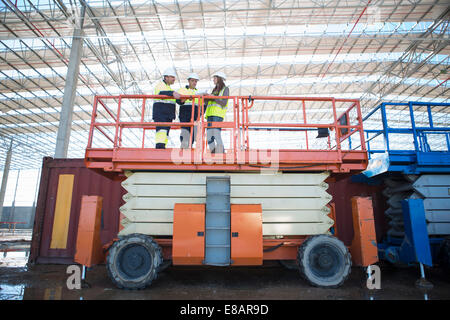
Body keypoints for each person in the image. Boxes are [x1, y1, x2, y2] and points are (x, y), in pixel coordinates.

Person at [153, 67, 181, 149]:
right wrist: (172, 93)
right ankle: (160, 146)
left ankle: (162, 145)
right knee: (162, 131)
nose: (174, 79)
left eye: (174, 77)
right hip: (161, 113)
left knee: (165, 132)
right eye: (172, 77)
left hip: (167, 115)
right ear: (166, 77)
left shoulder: (169, 88)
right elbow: (161, 93)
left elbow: (173, 100)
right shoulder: (160, 85)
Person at [204, 72, 229, 154]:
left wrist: (213, 98)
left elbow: (224, 102)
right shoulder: (214, 90)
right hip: (210, 115)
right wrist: (207, 98)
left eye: (215, 78)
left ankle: (221, 152)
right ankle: (213, 152)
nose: (213, 79)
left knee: (216, 134)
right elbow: (209, 102)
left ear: (219, 79)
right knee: (209, 136)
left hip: (217, 115)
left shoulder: (225, 89)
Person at [177, 73, 200, 148]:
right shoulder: (182, 90)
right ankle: (184, 145)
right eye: (193, 81)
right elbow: (178, 101)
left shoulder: (199, 92)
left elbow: (202, 105)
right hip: (185, 112)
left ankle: (190, 145)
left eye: (196, 81)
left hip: (195, 114)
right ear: (189, 81)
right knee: (185, 130)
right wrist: (187, 98)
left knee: (193, 132)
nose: (194, 83)